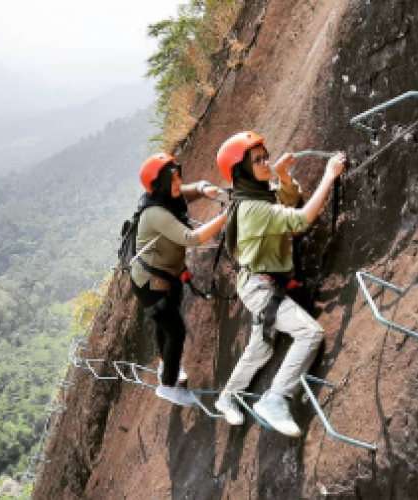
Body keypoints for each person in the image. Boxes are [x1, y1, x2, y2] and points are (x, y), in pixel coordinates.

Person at [213, 131, 345, 436]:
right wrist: (329, 175)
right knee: (310, 333)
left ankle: (227, 396)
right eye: (257, 160)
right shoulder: (252, 207)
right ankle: (274, 399)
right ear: (241, 170)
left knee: (261, 348)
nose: (265, 163)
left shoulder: (254, 194)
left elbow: (287, 198)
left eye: (265, 156)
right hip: (260, 288)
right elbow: (300, 219)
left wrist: (283, 175)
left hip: (260, 284)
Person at [131, 152, 227, 407]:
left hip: (166, 275)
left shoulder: (167, 196)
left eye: (177, 177)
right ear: (159, 184)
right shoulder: (155, 213)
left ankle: (166, 364)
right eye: (172, 180)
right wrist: (225, 217)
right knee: (175, 329)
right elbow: (191, 238)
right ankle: (168, 386)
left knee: (165, 325)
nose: (177, 183)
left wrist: (208, 189)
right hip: (151, 284)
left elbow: (192, 190)